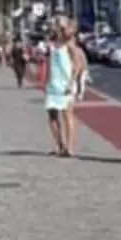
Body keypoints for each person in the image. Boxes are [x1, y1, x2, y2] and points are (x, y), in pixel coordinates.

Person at [42, 17, 86, 157]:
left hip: (65, 83)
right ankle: (57, 144)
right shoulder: (51, 45)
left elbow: (78, 64)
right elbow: (49, 63)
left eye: (58, 26)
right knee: (52, 115)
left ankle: (69, 146)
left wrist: (72, 81)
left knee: (67, 115)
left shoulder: (69, 45)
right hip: (52, 84)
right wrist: (46, 80)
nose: (55, 29)